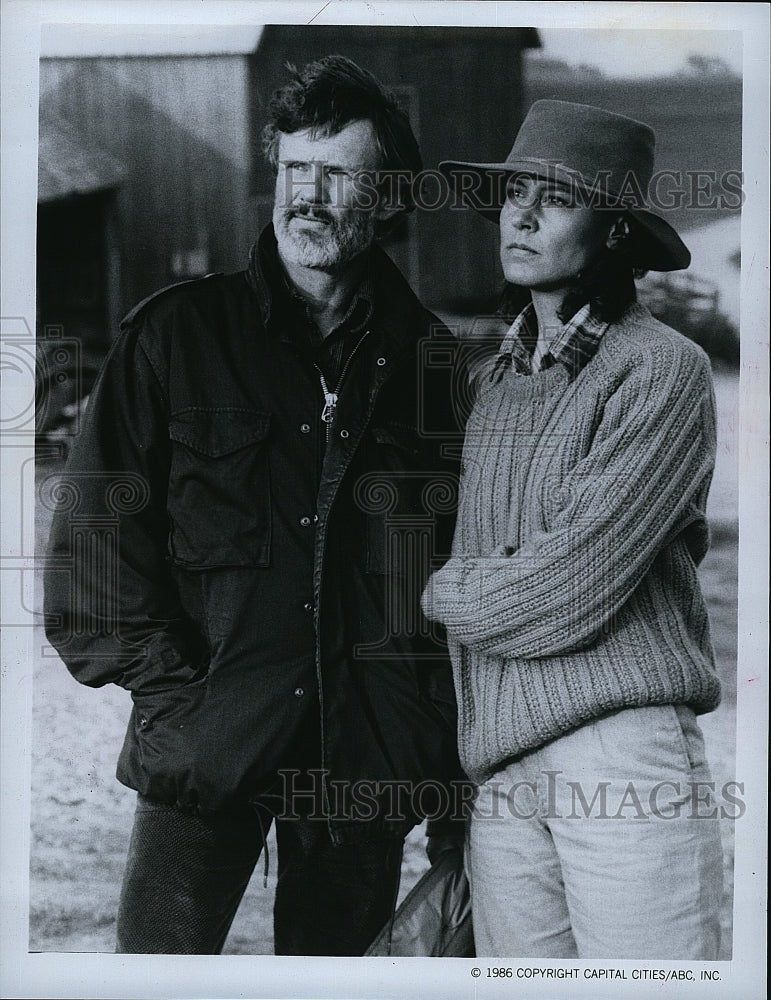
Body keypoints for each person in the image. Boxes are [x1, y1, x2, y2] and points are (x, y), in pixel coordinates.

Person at [44, 55, 465, 956]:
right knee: (153, 975)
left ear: (388, 197)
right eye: (293, 170)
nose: (306, 197)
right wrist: (176, 702)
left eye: (338, 173)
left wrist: (418, 728)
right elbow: (92, 552)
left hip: (364, 766)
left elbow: (450, 567)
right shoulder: (176, 337)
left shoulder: (429, 361)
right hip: (208, 744)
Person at [422, 100, 724, 959]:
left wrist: (442, 588)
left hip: (618, 756)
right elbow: (529, 577)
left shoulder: (661, 369)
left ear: (615, 230)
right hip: (500, 763)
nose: (519, 214)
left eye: (554, 197)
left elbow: (568, 588)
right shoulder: (494, 384)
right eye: (515, 190)